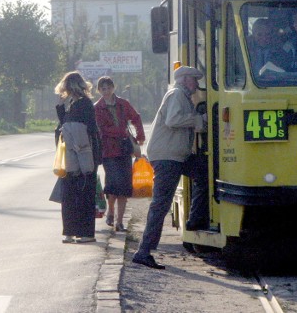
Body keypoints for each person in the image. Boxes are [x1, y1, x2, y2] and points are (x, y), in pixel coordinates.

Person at [132, 66, 207, 270]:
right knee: (161, 204)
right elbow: (173, 120)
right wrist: (199, 120)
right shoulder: (176, 94)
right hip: (168, 157)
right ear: (183, 80)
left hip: (176, 155)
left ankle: (195, 221)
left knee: (203, 175)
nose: (196, 84)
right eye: (193, 79)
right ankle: (143, 251)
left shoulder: (181, 95)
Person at [54, 71, 102, 244]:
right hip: (75, 156)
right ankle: (72, 232)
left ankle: (84, 233)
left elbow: (75, 128)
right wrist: (60, 108)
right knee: (72, 195)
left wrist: (61, 109)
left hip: (83, 156)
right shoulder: (77, 103)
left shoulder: (83, 104)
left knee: (80, 195)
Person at [94, 76, 146, 232]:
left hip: (124, 150)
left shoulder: (123, 104)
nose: (106, 91)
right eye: (103, 88)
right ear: (99, 90)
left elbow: (136, 118)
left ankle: (120, 221)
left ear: (113, 88)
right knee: (112, 185)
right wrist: (119, 132)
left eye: (108, 88)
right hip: (108, 151)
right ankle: (110, 210)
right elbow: (101, 129)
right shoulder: (97, 108)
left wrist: (140, 136)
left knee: (124, 186)